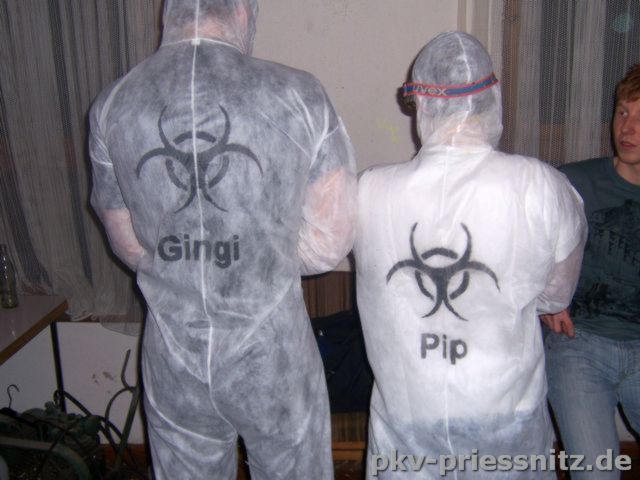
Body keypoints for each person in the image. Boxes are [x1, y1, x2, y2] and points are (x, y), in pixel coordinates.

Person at [88, 1, 357, 478]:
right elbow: (330, 241)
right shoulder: (299, 94)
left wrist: (186, 260)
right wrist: (260, 253)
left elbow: (127, 242)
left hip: (175, 353)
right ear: (243, 13)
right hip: (272, 352)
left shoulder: (114, 103)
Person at [354, 31, 587, 478]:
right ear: (491, 96)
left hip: (408, 420)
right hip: (505, 418)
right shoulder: (539, 185)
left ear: (420, 102)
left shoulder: (369, 190)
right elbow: (556, 296)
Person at [542, 64, 640, 480]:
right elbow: (524, 252)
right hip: (579, 346)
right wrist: (546, 297)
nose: (627, 128)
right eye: (623, 112)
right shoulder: (573, 182)